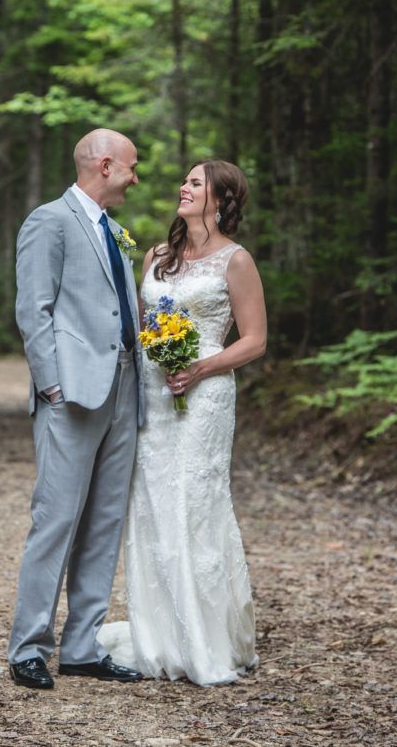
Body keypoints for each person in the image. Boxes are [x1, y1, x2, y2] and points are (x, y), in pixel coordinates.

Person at [101, 159, 267, 686]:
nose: (184, 186)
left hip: (207, 394)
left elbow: (254, 340)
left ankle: (205, 637)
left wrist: (201, 366)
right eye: (186, 180)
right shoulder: (157, 256)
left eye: (196, 183)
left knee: (193, 504)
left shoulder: (236, 261)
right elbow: (142, 325)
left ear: (220, 199)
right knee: (151, 503)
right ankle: (159, 635)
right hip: (153, 392)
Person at [8, 128, 146, 690]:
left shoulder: (114, 231)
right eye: (133, 168)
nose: (137, 179)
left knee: (104, 523)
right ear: (106, 165)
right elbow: (32, 309)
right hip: (73, 393)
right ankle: (29, 648)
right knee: (57, 519)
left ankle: (83, 646)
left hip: (124, 392)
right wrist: (51, 387)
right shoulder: (49, 220)